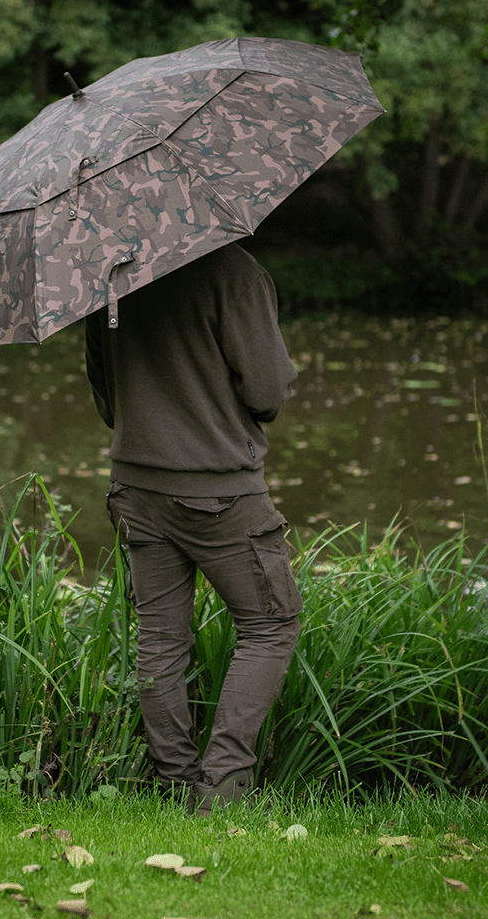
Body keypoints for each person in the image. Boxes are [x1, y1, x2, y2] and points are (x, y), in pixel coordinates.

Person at [84, 241, 302, 814]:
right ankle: (224, 791)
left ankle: (175, 786)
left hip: (135, 487)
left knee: (160, 640)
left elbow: (108, 397)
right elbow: (268, 391)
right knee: (271, 624)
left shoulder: (106, 272)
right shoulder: (232, 269)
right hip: (220, 490)